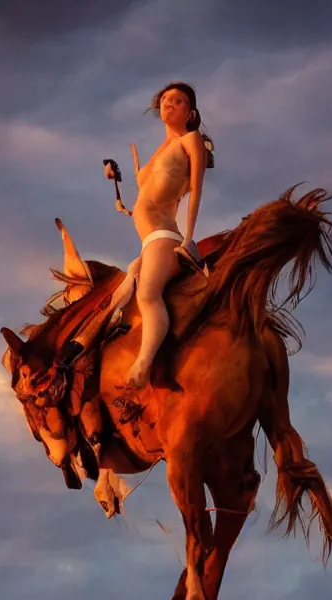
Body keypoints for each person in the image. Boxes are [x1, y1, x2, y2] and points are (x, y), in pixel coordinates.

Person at [112, 82, 215, 388]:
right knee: (118, 302)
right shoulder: (159, 149)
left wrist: (189, 238)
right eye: (167, 99)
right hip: (147, 238)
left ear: (190, 112)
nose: (170, 104)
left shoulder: (191, 139)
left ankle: (143, 365)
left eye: (178, 100)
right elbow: (151, 196)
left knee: (147, 294)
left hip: (163, 235)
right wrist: (129, 209)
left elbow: (195, 191)